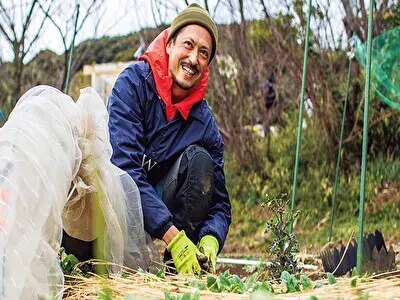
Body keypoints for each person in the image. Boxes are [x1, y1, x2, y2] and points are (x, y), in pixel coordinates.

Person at [107, 3, 231, 275]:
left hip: (163, 204)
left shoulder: (203, 123)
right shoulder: (133, 86)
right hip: (114, 203)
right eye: (188, 44)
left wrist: (211, 238)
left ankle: (181, 270)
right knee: (87, 255)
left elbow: (221, 202)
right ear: (169, 43)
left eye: (203, 53)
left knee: (200, 162)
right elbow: (124, 169)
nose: (193, 58)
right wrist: (171, 235)